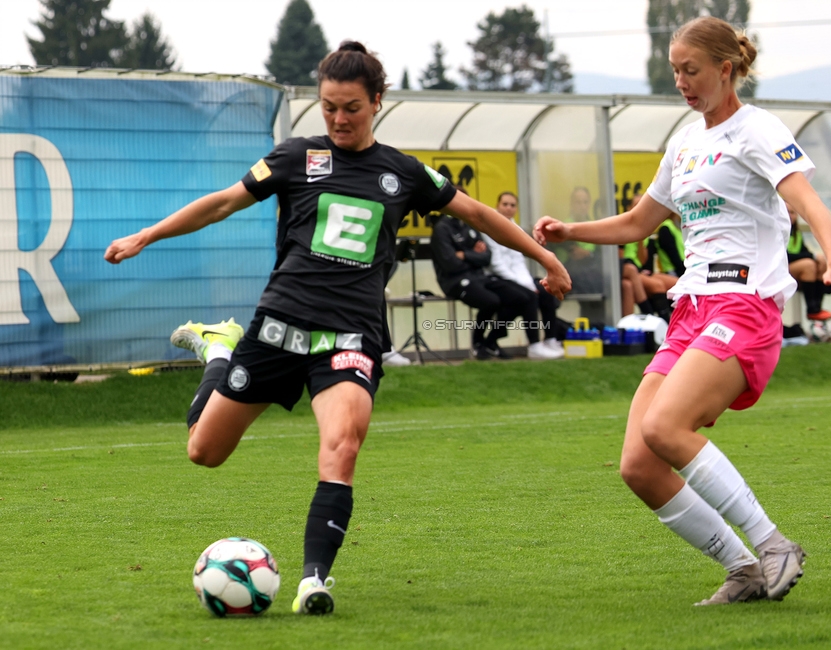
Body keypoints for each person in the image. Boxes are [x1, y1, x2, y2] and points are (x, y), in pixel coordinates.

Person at [104, 41, 571, 615]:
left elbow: (479, 214)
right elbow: (223, 203)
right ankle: (221, 351)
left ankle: (313, 581)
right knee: (204, 450)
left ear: (377, 101)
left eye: (351, 107)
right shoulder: (295, 157)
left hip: (350, 337)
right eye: (328, 106)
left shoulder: (402, 172)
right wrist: (146, 236)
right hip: (278, 327)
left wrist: (545, 260)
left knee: (342, 446)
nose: (339, 118)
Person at [534, 16, 831, 606]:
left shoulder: (756, 129)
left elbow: (808, 202)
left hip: (744, 308)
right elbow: (639, 222)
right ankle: (744, 570)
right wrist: (568, 229)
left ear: (725, 69)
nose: (682, 82)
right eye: (675, 72)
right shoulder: (684, 142)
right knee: (637, 463)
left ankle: (773, 543)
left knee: (665, 427)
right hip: (690, 310)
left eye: (691, 70)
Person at [430, 190, 547, 360]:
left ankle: (491, 341)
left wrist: (464, 254)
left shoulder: (469, 225)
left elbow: (486, 257)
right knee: (491, 301)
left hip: (479, 276)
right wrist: (473, 254)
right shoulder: (442, 228)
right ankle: (477, 344)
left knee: (525, 297)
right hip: (455, 281)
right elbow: (451, 264)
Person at [482, 191, 563, 358]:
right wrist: (525, 285)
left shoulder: (515, 227)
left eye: (512, 205)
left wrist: (528, 283)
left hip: (516, 278)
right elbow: (496, 263)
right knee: (528, 297)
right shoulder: (490, 226)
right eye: (505, 204)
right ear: (498, 205)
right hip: (496, 278)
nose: (509, 208)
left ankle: (550, 339)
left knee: (544, 290)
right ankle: (534, 345)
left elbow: (518, 260)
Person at [786, 202, 831, 322]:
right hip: (778, 270)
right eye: (787, 212)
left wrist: (815, 257)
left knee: (820, 262)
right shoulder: (778, 230)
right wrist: (813, 256)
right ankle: (812, 310)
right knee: (809, 265)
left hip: (792, 269)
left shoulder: (795, 233)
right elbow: (785, 256)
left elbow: (803, 251)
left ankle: (818, 308)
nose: (790, 216)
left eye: (793, 212)